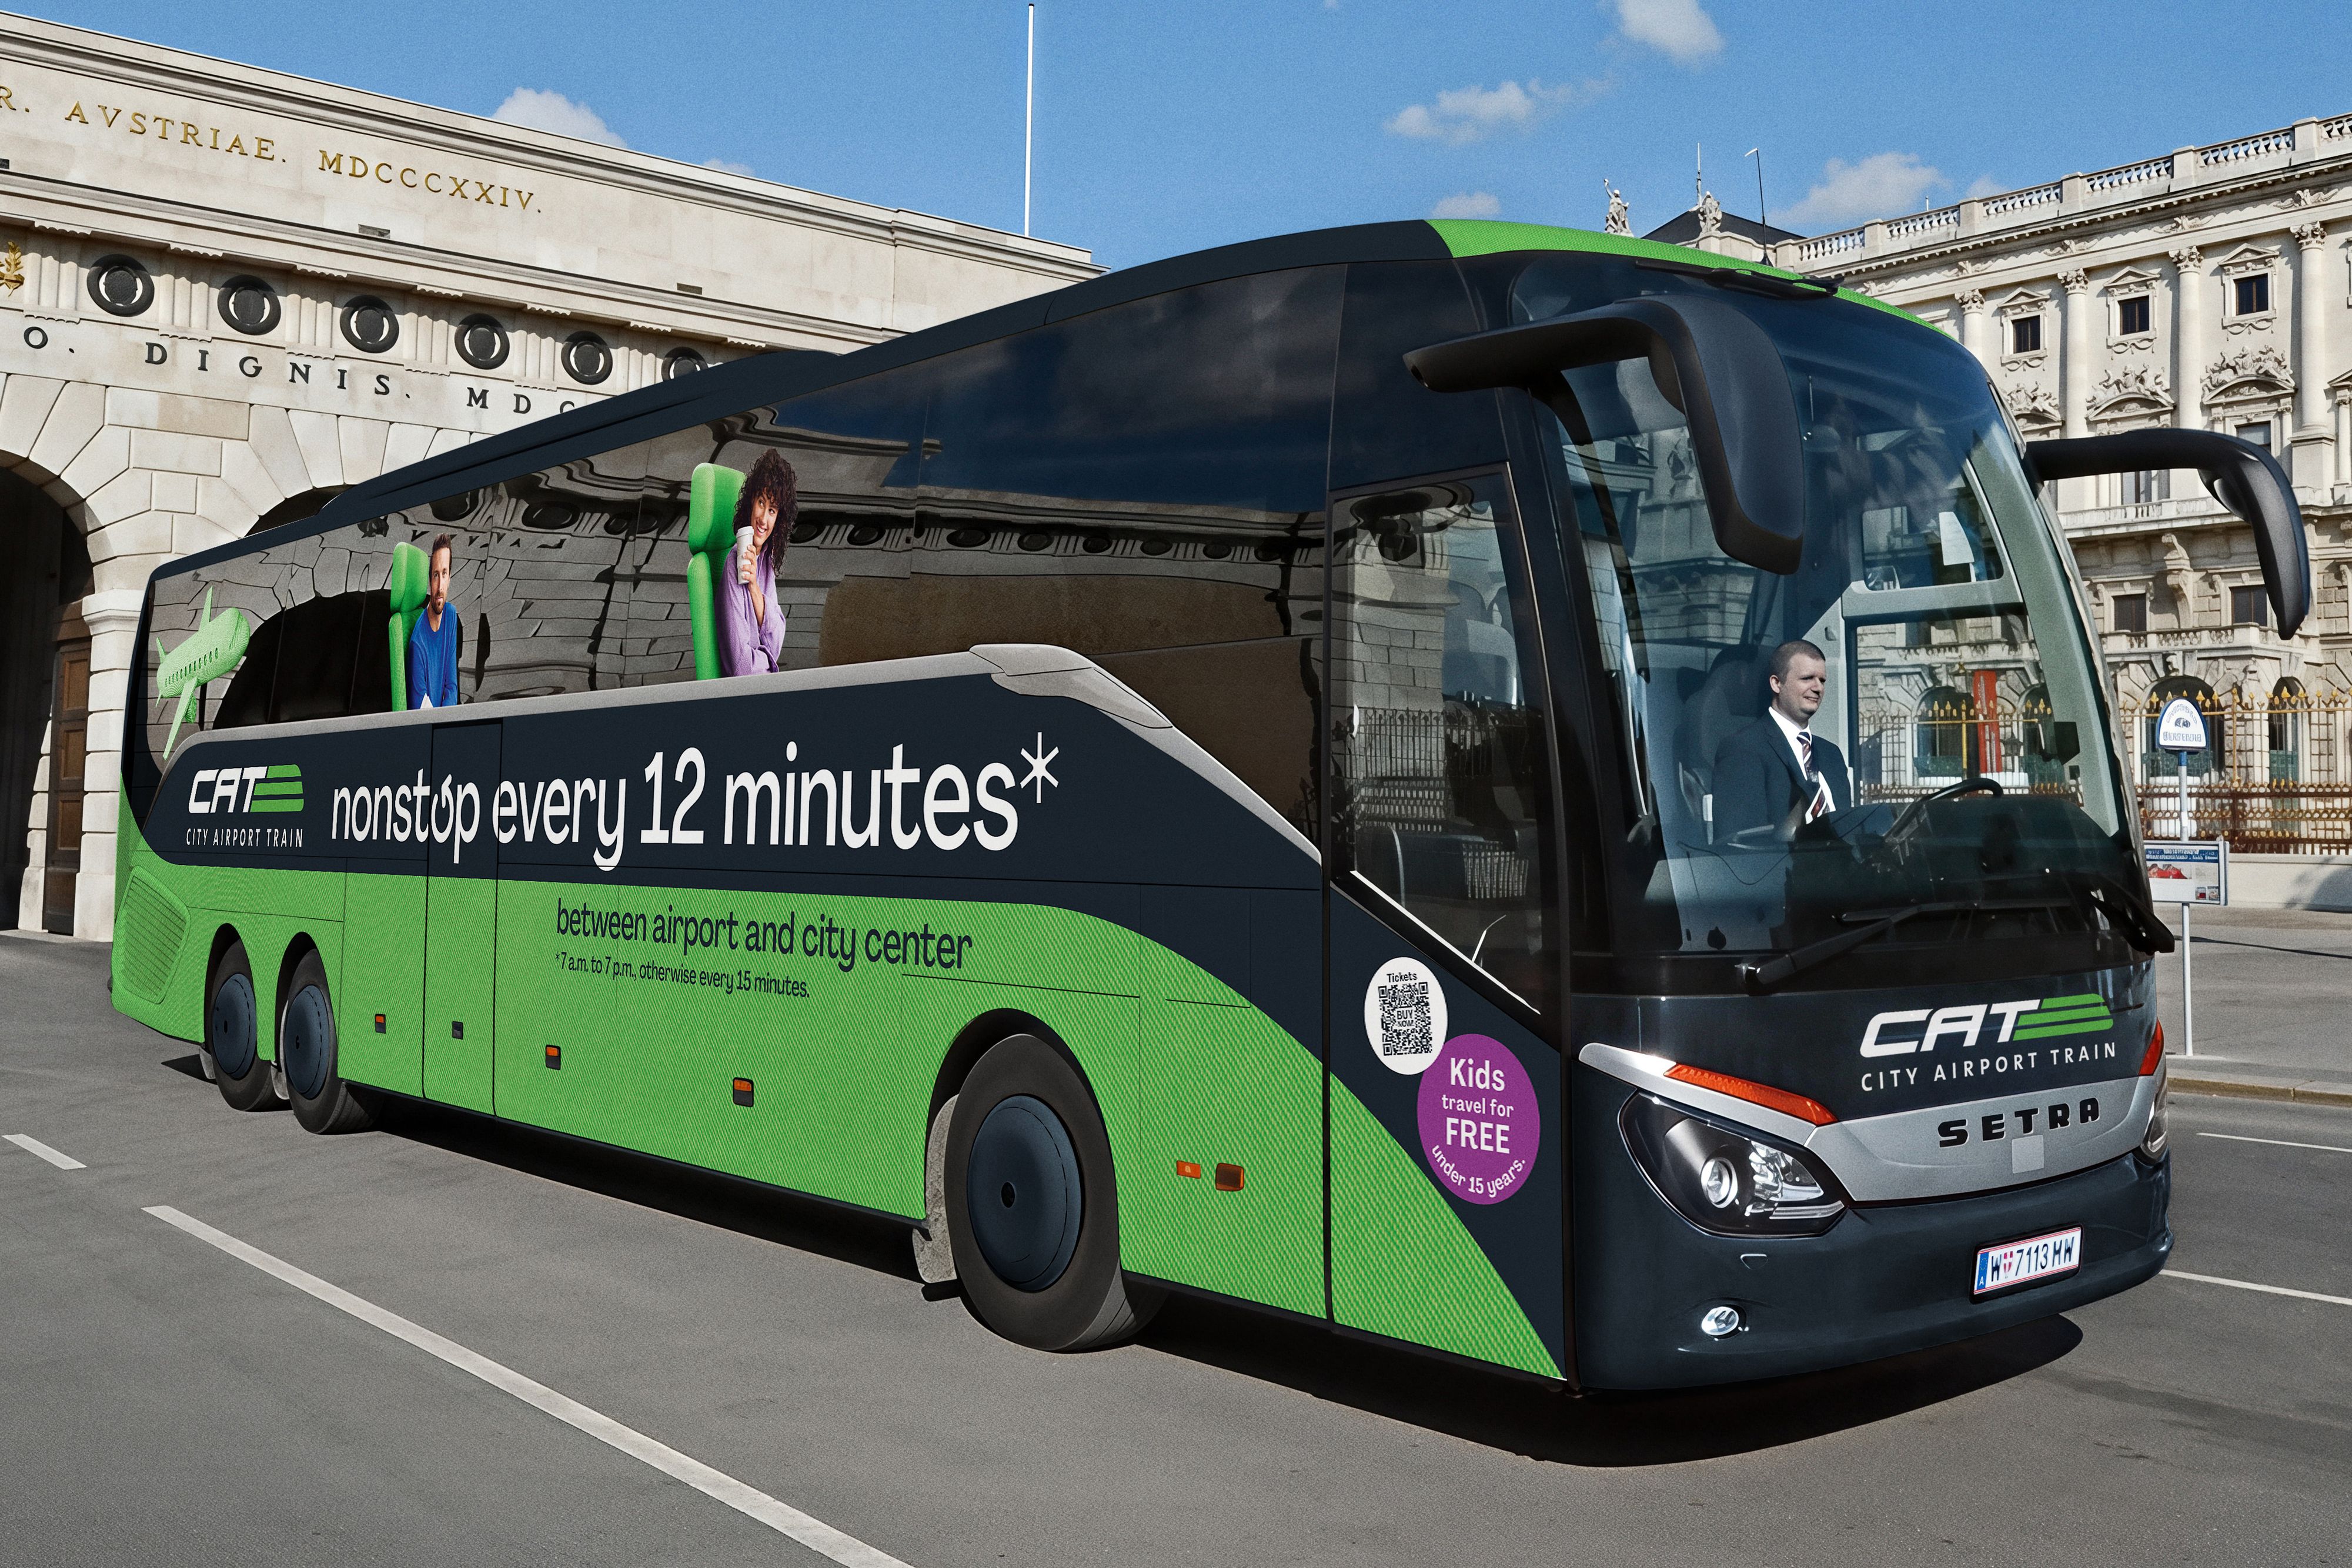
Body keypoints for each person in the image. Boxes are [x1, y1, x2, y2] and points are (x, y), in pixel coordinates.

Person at [1711, 638, 1850, 842]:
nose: (1818, 688)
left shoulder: (1832, 754)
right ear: (1777, 683)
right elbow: (1739, 841)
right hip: (1782, 870)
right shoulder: (1743, 748)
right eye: (1807, 678)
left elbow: (1847, 825)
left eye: (1822, 680)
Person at [720, 450, 796, 676]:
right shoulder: (736, 562)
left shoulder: (766, 561)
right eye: (761, 503)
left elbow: (776, 643)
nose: (764, 519)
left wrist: (754, 588)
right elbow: (742, 667)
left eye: (772, 510)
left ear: (778, 520)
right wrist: (769, 663)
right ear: (751, 502)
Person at [407, 533, 459, 709]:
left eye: (444, 573)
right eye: (436, 575)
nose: (440, 586)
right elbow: (424, 716)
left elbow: (452, 687)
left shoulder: (451, 616)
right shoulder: (418, 644)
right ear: (430, 581)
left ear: (450, 577)